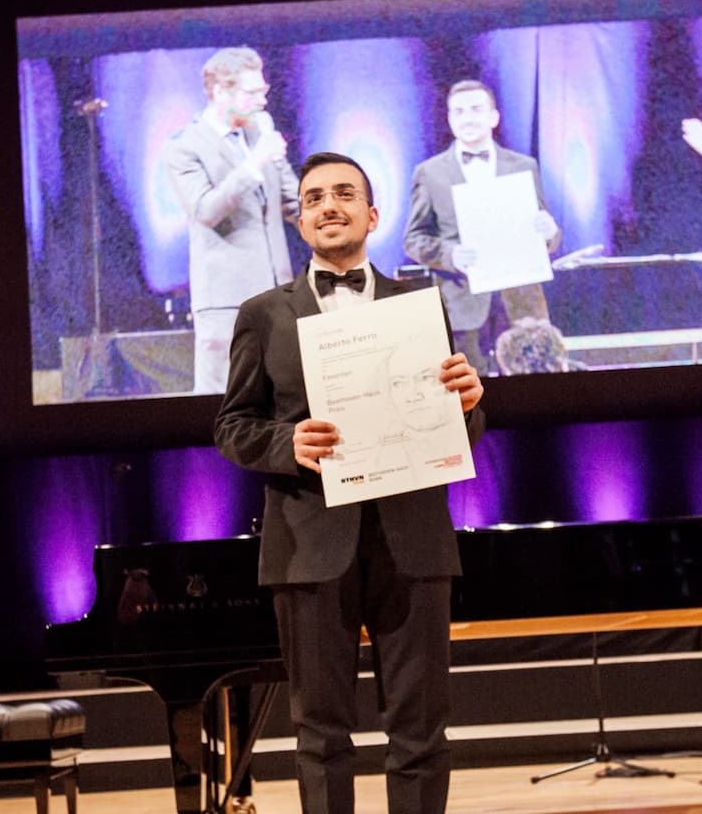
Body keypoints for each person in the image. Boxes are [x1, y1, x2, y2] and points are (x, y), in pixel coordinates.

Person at [215, 152, 485, 814]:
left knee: (421, 733)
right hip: (310, 543)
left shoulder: (422, 304)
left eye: (343, 194)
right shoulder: (263, 314)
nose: (327, 206)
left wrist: (472, 404)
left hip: (412, 540)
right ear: (299, 220)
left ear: (372, 214)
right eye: (313, 199)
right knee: (320, 735)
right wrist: (289, 443)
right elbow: (232, 426)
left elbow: (456, 428)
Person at [162, 46, 301, 394]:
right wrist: (254, 163)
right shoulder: (185, 146)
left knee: (281, 401)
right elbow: (206, 210)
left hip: (276, 294)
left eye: (263, 91)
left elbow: (292, 199)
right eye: (252, 92)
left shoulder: (259, 133)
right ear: (221, 92)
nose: (262, 100)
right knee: (227, 403)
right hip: (226, 302)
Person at [405, 79, 561, 376]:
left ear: (493, 116)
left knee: (533, 394)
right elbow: (414, 238)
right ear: (450, 119)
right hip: (463, 304)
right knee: (474, 402)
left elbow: (546, 233)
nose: (467, 118)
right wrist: (450, 254)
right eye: (458, 112)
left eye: (476, 109)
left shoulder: (523, 166)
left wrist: (550, 232)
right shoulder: (430, 173)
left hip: (521, 304)